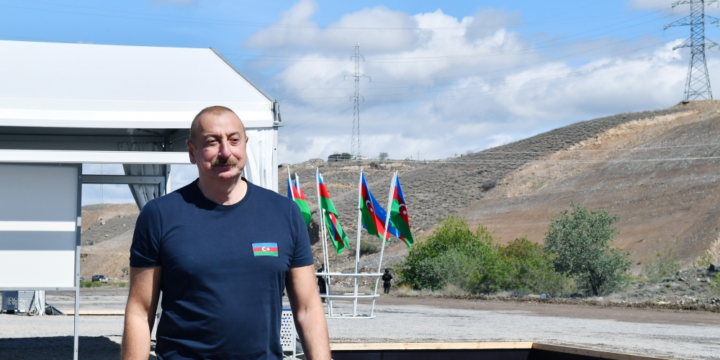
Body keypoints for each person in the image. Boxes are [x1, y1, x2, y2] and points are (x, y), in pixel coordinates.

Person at [121, 106, 330, 360]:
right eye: (212, 142)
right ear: (191, 151)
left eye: (234, 140)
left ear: (245, 144)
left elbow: (308, 308)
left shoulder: (284, 213)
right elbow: (140, 312)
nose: (225, 152)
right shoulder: (159, 216)